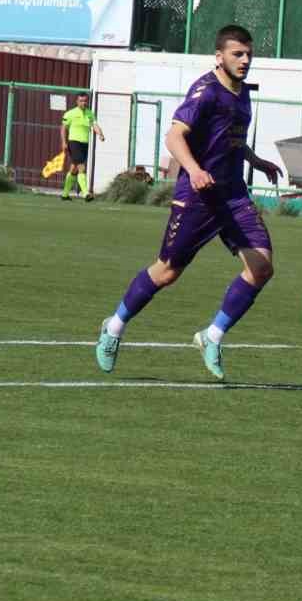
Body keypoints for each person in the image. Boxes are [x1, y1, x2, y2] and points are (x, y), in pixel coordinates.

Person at [94, 24, 283, 380]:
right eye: (237, 54)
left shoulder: (241, 93)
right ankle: (114, 328)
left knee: (262, 267)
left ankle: (211, 337)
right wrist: (194, 170)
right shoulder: (205, 92)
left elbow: (228, 140)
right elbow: (174, 136)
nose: (244, 61)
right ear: (219, 56)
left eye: (248, 55)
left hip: (233, 195)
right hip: (198, 197)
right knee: (167, 271)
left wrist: (255, 160)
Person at [59, 92, 106, 202]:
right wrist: (64, 142)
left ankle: (65, 194)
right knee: (81, 168)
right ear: (77, 101)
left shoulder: (90, 113)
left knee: (74, 169)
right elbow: (63, 128)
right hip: (73, 143)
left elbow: (94, 125)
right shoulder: (70, 113)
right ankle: (86, 194)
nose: (83, 103)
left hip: (84, 144)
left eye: (85, 101)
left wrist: (100, 134)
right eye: (81, 101)